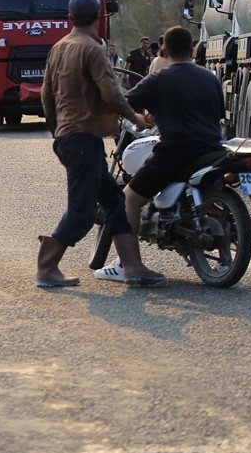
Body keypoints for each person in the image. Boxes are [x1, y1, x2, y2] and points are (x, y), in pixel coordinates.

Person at [38, 0, 164, 289]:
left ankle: (131, 265)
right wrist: (135, 117)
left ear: (70, 18)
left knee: (113, 199)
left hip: (74, 138)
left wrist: (57, 132)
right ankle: (46, 267)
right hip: (82, 138)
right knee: (82, 211)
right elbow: (110, 92)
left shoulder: (59, 47)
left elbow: (46, 96)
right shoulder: (93, 49)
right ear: (98, 18)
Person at [95, 26, 225, 282]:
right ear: (192, 49)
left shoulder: (160, 78)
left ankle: (126, 264)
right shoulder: (209, 77)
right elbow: (217, 114)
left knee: (128, 198)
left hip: (176, 150)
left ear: (163, 50)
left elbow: (123, 105)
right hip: (212, 149)